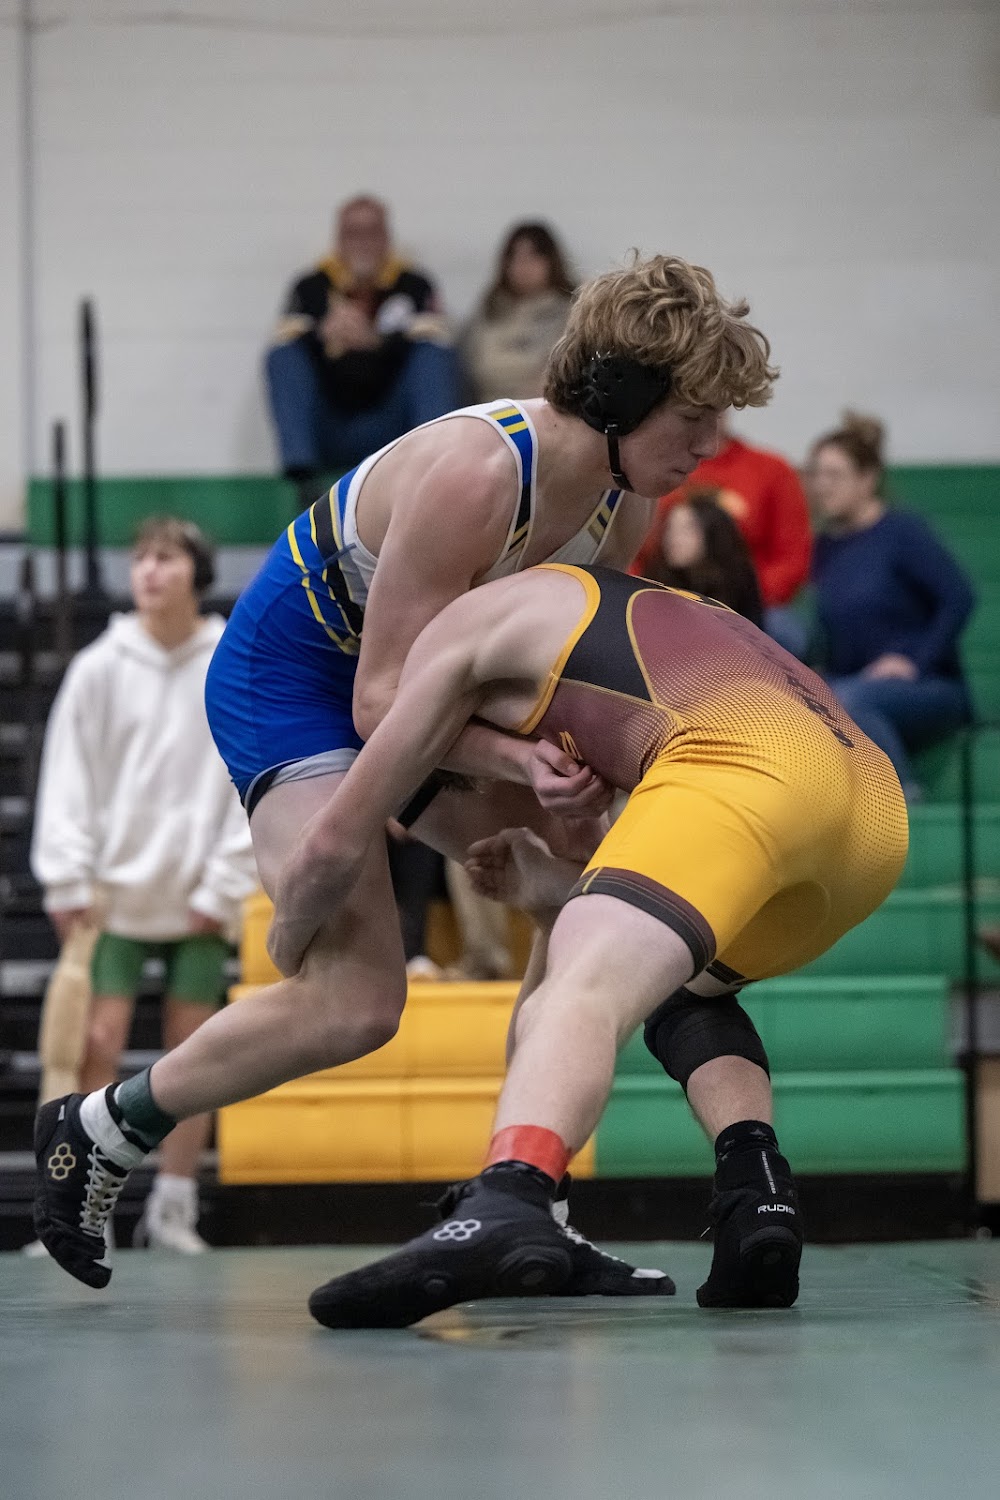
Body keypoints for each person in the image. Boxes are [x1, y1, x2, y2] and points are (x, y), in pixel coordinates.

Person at [32, 253, 778, 1298]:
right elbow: (382, 704)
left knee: (589, 898)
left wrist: (574, 777)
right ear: (617, 396)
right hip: (298, 677)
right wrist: (512, 760)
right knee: (358, 997)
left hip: (421, 691)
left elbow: (538, 676)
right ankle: (101, 1127)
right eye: (692, 417)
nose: (709, 447)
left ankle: (527, 1204)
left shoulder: (620, 505)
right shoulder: (481, 473)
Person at [265, 560, 905, 1326]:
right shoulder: (656, 604)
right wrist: (550, 884)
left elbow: (367, 756)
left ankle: (511, 1194)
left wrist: (288, 935)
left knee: (583, 985)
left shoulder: (458, 627)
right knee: (674, 983)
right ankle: (755, 1186)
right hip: (872, 818)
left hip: (748, 764)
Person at [29, 517, 258, 1253]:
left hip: (198, 899)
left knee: (195, 1057)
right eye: (140, 559)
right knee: (93, 1046)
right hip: (113, 901)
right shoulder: (100, 666)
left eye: (166, 558)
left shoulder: (228, 659)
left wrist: (224, 883)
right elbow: (68, 777)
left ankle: (174, 1207)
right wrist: (67, 877)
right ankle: (78, 1207)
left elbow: (248, 774)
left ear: (198, 573)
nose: (149, 571)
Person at [807, 413, 975, 801]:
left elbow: (958, 597)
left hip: (927, 686)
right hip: (854, 684)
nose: (821, 485)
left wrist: (914, 661)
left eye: (834, 475)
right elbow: (830, 628)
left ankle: (902, 795)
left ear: (867, 480)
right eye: (816, 474)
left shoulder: (902, 532)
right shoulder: (826, 546)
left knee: (847, 698)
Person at [265, 195, 460, 498]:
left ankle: (432, 472)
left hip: (395, 424)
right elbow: (287, 336)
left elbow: (437, 334)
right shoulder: (311, 286)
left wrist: (374, 340)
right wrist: (323, 335)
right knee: (283, 356)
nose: (363, 243)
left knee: (434, 354)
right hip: (331, 425)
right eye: (353, 233)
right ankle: (305, 483)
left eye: (371, 232)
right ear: (338, 239)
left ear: (386, 237)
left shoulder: (414, 284)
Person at [632, 419, 811, 654]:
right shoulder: (649, 468)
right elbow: (633, 557)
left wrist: (737, 598)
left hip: (746, 603)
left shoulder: (771, 470)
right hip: (667, 598)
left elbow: (792, 559)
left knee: (780, 629)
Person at [461, 222, 576, 403]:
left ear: (551, 261)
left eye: (533, 256)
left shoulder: (572, 311)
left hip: (541, 407)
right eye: (515, 257)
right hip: (485, 406)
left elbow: (560, 373)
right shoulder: (490, 309)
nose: (523, 265)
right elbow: (477, 367)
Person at [637, 488, 764, 625]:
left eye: (686, 530)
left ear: (711, 535)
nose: (674, 539)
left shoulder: (738, 578)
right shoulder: (655, 576)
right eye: (670, 528)